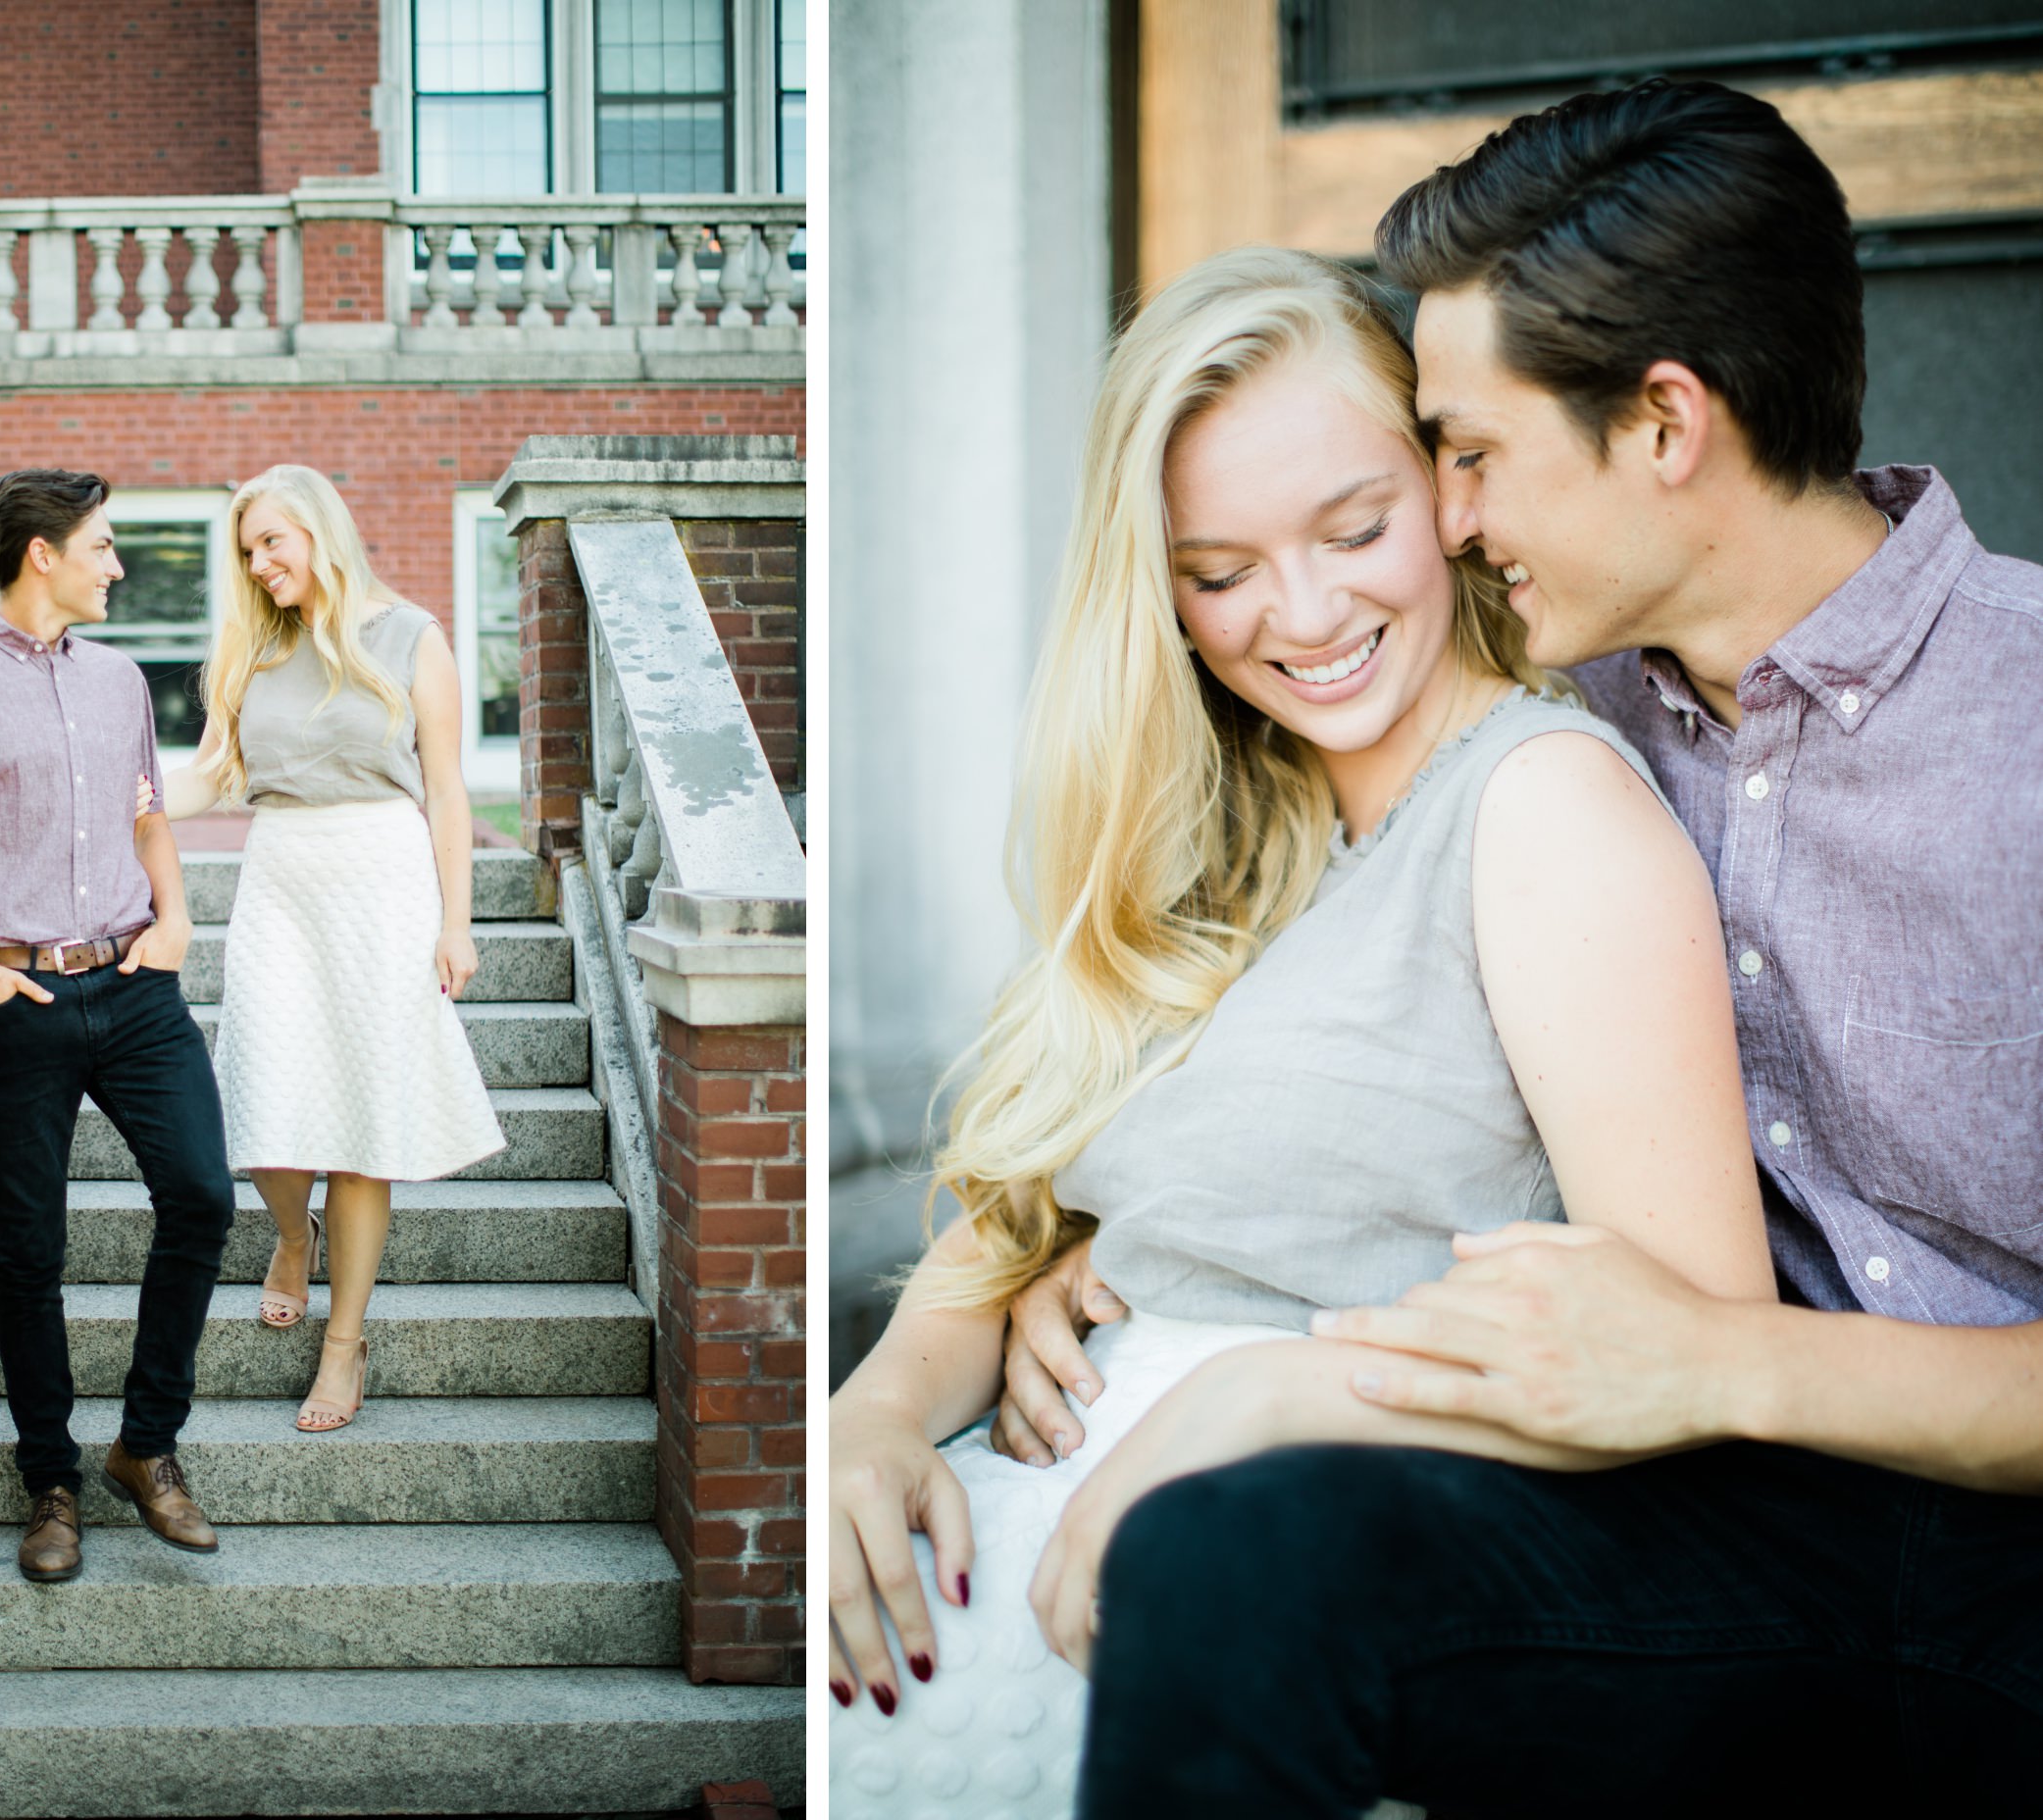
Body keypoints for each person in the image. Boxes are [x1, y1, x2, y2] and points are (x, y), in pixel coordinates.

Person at [988, 81, 2043, 1815]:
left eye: (1471, 452)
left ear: (1664, 424)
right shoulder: (1558, 715)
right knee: (1234, 1567)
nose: (1451, 514)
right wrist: (1116, 1261)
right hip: (1716, 1535)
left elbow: (1690, 1338)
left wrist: (1728, 1361)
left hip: (2006, 1574)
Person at [825, 246, 1779, 1819]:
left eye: (1356, 529)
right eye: (1222, 571)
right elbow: (1014, 1229)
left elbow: (1686, 1342)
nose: (1308, 612)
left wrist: (1253, 1393)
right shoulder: (1224, 839)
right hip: (1024, 1544)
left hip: (1259, 1588)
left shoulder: (1543, 808)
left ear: (1447, 492)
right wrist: (871, 1411)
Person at [0, 468, 235, 1584]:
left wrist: (175, 919)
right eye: (106, 546)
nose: (118, 565)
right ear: (43, 554)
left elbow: (148, 816)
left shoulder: (121, 681)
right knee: (32, 1252)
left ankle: (145, 1444)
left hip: (134, 986)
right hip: (14, 1001)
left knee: (204, 1195)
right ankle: (50, 1480)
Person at [151, 464, 503, 1433]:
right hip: (282, 880)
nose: (258, 565)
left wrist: (456, 920)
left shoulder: (411, 636)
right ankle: (290, 1235)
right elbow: (213, 774)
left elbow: (447, 791)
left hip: (382, 878)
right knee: (262, 1097)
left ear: (318, 531)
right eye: (247, 550)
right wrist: (123, 793)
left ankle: (344, 1342)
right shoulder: (249, 646)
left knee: (360, 1119)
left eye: (272, 542)